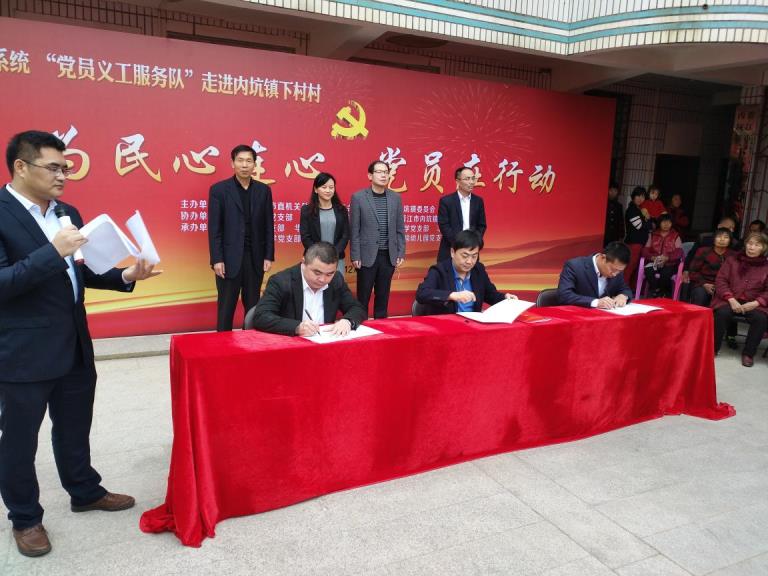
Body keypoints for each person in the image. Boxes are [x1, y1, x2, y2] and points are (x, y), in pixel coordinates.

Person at [0, 130, 160, 557]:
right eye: (53, 167)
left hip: (73, 343)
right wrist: (52, 252)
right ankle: (25, 518)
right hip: (23, 352)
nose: (63, 176)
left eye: (65, 168)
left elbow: (79, 271)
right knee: (19, 440)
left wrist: (125, 276)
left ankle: (84, 490)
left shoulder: (66, 213)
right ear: (21, 166)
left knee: (74, 425)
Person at [208, 144, 275, 331]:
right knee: (226, 306)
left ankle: (251, 343)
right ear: (232, 163)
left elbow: (269, 225)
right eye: (240, 160)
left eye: (249, 161)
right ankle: (223, 343)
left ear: (254, 164)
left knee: (253, 308)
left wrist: (268, 255)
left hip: (255, 257)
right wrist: (217, 259)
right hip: (228, 259)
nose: (244, 165)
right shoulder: (219, 190)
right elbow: (214, 229)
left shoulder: (263, 191)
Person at [249, 241, 366, 336]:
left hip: (324, 343)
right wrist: (297, 327)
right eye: (317, 273)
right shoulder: (281, 281)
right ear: (303, 263)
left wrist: (347, 321)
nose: (322, 279)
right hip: (290, 345)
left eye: (329, 274)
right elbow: (261, 316)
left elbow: (357, 308)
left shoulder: (336, 280)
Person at [349, 161, 406, 318]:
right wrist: (355, 255)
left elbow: (400, 228)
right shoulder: (359, 197)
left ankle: (381, 327)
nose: (383, 175)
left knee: (383, 296)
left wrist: (401, 252)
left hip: (388, 255)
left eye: (386, 172)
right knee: (363, 297)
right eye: (379, 172)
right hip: (366, 256)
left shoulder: (395, 198)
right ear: (370, 176)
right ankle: (360, 325)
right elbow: (354, 229)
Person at [416, 230, 516, 314]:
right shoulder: (439, 270)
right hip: (447, 326)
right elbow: (422, 294)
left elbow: (490, 295)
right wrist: (452, 295)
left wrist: (505, 298)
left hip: (473, 325)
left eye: (474, 256)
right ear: (452, 252)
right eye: (465, 256)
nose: (469, 261)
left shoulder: (478, 270)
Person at [711, 232, 768, 367]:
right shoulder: (732, 260)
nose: (752, 247)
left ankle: (748, 353)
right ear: (745, 244)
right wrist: (731, 299)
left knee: (760, 319)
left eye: (757, 245)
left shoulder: (766, 266)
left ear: (764, 248)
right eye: (750, 243)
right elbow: (721, 281)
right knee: (721, 313)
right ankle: (712, 349)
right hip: (729, 299)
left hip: (754, 302)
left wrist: (756, 302)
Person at [557, 241, 633, 308]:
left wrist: (623, 296)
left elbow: (624, 288)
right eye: (613, 270)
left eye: (619, 271)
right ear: (603, 258)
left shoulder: (617, 270)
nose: (615, 274)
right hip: (578, 315)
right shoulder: (574, 266)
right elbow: (564, 295)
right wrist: (596, 302)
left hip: (605, 316)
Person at [299, 172, 349, 274]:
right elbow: (305, 237)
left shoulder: (341, 210)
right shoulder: (307, 211)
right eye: (324, 187)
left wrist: (334, 253)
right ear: (316, 189)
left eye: (331, 187)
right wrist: (319, 255)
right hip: (314, 259)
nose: (328, 190)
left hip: (336, 259)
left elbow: (345, 235)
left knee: (336, 283)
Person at [436, 166, 487, 262]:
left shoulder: (478, 201)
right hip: (450, 249)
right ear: (458, 181)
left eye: (473, 178)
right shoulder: (446, 201)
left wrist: (473, 241)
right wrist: (459, 244)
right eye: (467, 179)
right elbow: (444, 225)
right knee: (448, 272)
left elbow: (481, 225)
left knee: (472, 272)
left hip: (471, 250)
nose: (471, 182)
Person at [688, 228, 735, 307]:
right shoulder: (703, 251)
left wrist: (722, 287)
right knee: (700, 295)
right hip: (703, 283)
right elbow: (693, 271)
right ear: (714, 239)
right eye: (719, 237)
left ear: (730, 240)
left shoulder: (733, 255)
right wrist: (704, 284)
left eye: (726, 237)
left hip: (724, 286)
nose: (722, 239)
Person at [641, 213, 683, 298]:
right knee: (648, 270)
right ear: (659, 223)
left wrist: (667, 258)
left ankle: (661, 293)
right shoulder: (653, 235)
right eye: (663, 222)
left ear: (672, 224)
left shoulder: (675, 236)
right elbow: (645, 250)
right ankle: (657, 290)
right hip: (654, 262)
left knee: (665, 273)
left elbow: (679, 252)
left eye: (669, 222)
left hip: (670, 263)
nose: (666, 224)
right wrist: (652, 257)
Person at [624, 186, 651, 288]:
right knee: (630, 266)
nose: (640, 198)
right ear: (633, 196)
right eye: (638, 196)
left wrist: (647, 219)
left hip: (639, 243)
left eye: (643, 196)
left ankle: (632, 288)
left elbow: (650, 225)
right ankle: (624, 288)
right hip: (634, 243)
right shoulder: (632, 210)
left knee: (636, 266)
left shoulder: (639, 209)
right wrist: (647, 218)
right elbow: (640, 226)